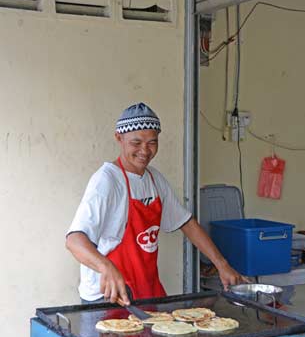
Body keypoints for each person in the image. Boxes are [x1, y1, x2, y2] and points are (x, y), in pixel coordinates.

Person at [66, 103, 245, 305]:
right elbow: (74, 240)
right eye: (136, 142)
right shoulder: (107, 181)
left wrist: (222, 264)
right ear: (119, 138)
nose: (145, 150)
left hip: (145, 289)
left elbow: (187, 223)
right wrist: (106, 266)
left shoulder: (154, 179)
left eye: (152, 142)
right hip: (108, 295)